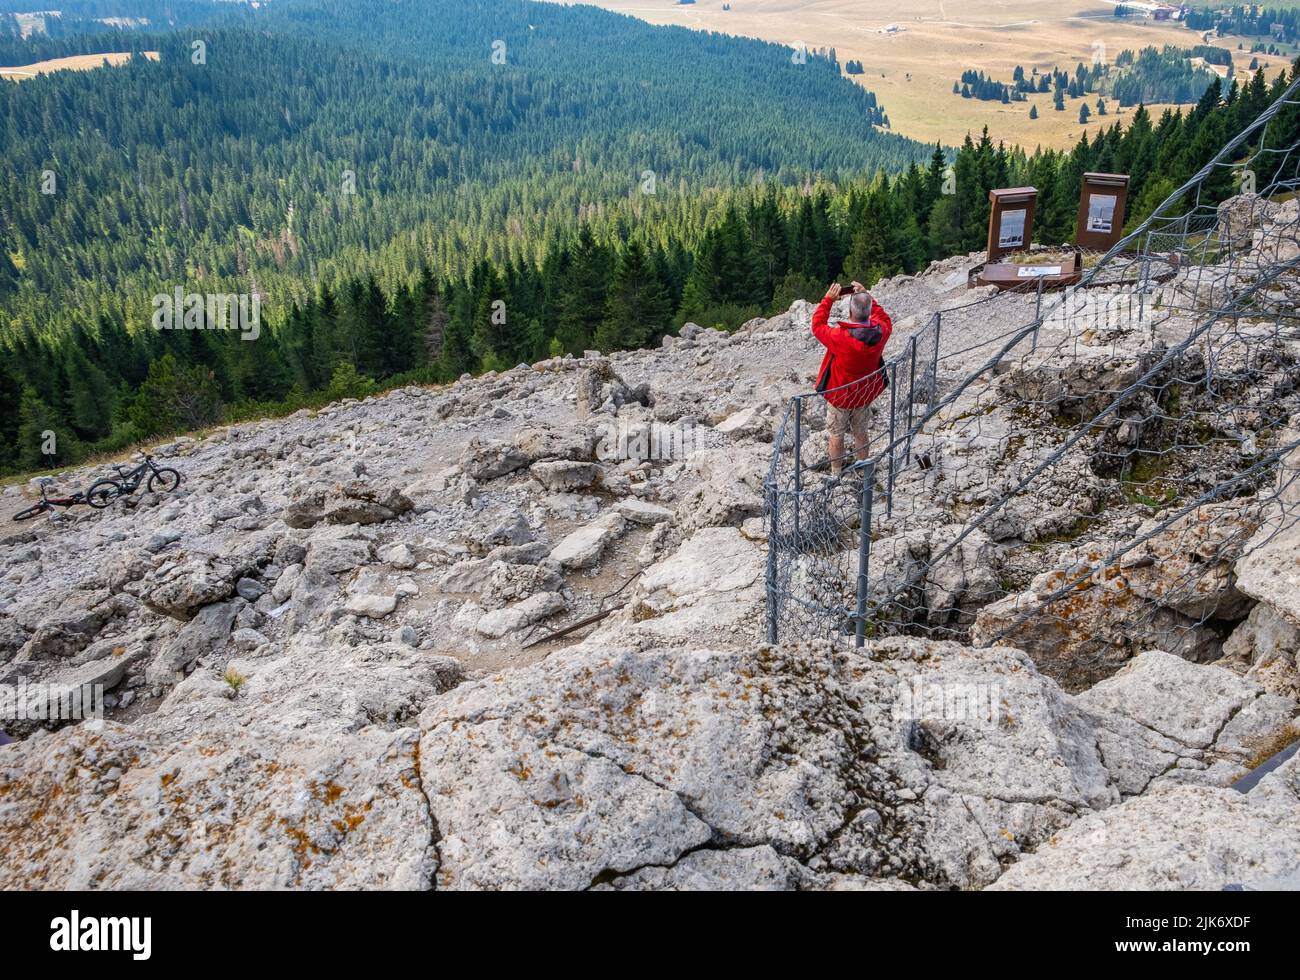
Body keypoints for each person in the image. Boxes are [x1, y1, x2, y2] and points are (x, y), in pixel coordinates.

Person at [811, 280, 893, 477]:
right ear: (869, 311)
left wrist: (827, 300)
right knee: (861, 432)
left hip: (840, 395)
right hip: (864, 393)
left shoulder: (840, 337)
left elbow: (817, 326)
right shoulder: (882, 332)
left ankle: (836, 473)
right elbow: (885, 319)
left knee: (836, 435)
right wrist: (867, 296)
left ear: (850, 312)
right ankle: (864, 470)